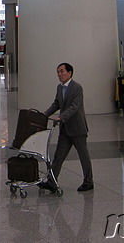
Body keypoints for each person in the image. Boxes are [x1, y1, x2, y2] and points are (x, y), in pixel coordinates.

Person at [40, 62, 94, 193]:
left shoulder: (77, 88)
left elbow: (75, 107)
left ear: (69, 73)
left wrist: (61, 117)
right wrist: (44, 115)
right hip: (65, 130)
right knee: (58, 156)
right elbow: (56, 104)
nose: (59, 74)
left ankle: (88, 182)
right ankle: (52, 182)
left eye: (62, 71)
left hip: (77, 129)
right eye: (58, 72)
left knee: (83, 156)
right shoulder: (60, 88)